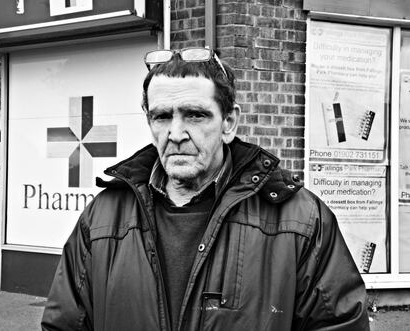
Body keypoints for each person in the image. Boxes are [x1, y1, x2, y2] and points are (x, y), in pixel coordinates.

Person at [42, 47, 370, 331]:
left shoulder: (300, 219)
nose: (176, 133)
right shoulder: (102, 218)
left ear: (228, 123)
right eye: (162, 116)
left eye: (195, 115)